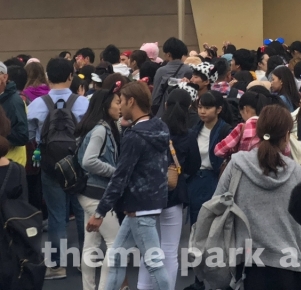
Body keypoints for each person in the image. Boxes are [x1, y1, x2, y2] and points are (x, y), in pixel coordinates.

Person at [87, 80, 171, 290]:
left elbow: (120, 177)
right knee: (117, 258)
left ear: (131, 101)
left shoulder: (133, 136)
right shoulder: (160, 127)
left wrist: (100, 212)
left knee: (153, 264)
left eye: (121, 101)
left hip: (138, 208)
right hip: (151, 202)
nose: (120, 106)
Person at [214, 104, 301, 290]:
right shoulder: (298, 173)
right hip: (287, 266)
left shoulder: (237, 166)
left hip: (246, 266)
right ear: (287, 135)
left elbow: (217, 205)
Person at [26, 57, 88, 279]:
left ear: (48, 77)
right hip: (78, 165)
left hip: (50, 165)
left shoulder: (36, 105)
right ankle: (86, 261)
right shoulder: (84, 103)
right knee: (82, 213)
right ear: (71, 76)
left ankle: (56, 265)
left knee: (56, 216)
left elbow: (29, 134)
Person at [137, 88, 190, 290]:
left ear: (165, 105)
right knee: (169, 249)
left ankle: (143, 286)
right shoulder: (187, 136)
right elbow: (193, 165)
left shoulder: (151, 130)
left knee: (149, 248)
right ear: (189, 108)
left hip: (149, 195)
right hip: (174, 194)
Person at [75, 85, 122, 290]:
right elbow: (89, 161)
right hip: (97, 193)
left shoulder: (92, 126)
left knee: (91, 244)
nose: (120, 107)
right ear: (105, 106)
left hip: (87, 192)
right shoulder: (101, 130)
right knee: (115, 243)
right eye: (117, 102)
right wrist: (115, 172)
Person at [183, 91, 230, 225]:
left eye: (207, 108)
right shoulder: (195, 129)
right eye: (200, 107)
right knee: (195, 222)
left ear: (219, 109)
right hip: (194, 179)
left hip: (214, 180)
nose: (202, 111)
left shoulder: (225, 131)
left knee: (210, 222)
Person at [150, 37, 191, 118]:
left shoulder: (161, 71)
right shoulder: (189, 70)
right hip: (184, 113)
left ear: (168, 54)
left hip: (164, 113)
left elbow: (155, 97)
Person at [0, 62, 29, 166]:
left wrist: (3, 130)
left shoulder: (14, 102)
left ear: (4, 77)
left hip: (10, 164)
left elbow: (22, 136)